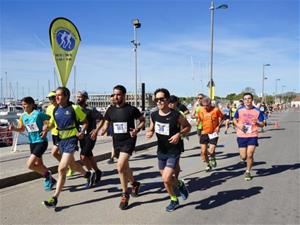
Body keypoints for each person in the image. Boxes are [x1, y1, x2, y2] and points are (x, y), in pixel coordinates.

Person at [95, 85, 145, 210]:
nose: (116, 97)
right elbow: (107, 122)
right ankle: (134, 183)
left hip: (129, 140)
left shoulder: (131, 109)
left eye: (118, 94)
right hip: (116, 141)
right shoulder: (110, 110)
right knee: (125, 168)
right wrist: (102, 130)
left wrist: (137, 129)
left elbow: (142, 120)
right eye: (114, 94)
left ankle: (124, 194)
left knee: (120, 166)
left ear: (124, 95)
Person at [43, 87, 95, 208]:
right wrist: (46, 127)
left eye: (59, 95)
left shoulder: (74, 108)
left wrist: (82, 132)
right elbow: (52, 124)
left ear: (66, 96)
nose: (56, 97)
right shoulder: (55, 109)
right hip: (61, 141)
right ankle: (88, 175)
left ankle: (54, 198)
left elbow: (85, 122)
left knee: (62, 169)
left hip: (72, 140)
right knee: (72, 165)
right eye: (56, 95)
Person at [146, 88, 191, 212]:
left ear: (167, 99)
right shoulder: (153, 114)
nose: (159, 102)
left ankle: (173, 200)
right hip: (161, 151)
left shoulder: (176, 115)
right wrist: (149, 132)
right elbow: (151, 127)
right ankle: (180, 184)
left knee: (165, 179)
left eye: (162, 99)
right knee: (169, 180)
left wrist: (179, 134)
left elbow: (188, 127)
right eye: (157, 99)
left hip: (173, 151)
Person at [9, 97, 56, 191]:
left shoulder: (38, 114)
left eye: (25, 104)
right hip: (32, 142)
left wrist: (46, 129)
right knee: (38, 164)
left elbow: (52, 122)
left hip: (41, 141)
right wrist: (14, 128)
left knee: (30, 165)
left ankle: (48, 176)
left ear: (31, 104)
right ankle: (51, 179)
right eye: (22, 105)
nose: (23, 106)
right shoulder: (23, 116)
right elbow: (22, 129)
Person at [233, 93, 264, 181]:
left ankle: (247, 171)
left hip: (252, 135)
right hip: (241, 135)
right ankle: (248, 161)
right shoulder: (239, 110)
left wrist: (257, 123)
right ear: (243, 100)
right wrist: (238, 125)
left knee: (249, 154)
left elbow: (262, 124)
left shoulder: (257, 111)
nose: (247, 100)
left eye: (249, 98)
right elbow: (234, 119)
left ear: (252, 100)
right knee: (243, 157)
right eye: (245, 99)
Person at [77, 90, 104, 184]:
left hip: (90, 136)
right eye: (77, 96)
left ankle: (90, 173)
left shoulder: (90, 110)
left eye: (80, 96)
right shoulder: (76, 109)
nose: (78, 98)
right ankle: (97, 171)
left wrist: (96, 130)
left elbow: (102, 119)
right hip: (81, 136)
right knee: (89, 155)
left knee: (83, 156)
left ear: (85, 98)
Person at [197, 97, 224, 172]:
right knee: (203, 152)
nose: (205, 107)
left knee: (211, 151)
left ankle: (212, 157)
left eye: (207, 105)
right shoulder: (200, 110)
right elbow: (199, 119)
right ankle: (208, 164)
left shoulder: (216, 110)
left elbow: (223, 118)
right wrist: (198, 123)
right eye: (204, 105)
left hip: (213, 132)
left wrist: (218, 126)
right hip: (204, 132)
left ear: (210, 104)